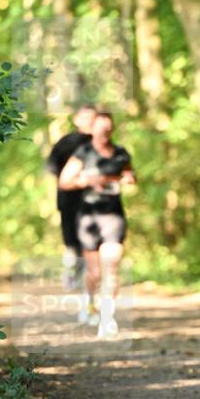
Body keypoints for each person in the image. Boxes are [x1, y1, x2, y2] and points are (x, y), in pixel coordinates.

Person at [58, 111, 135, 338]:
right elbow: (64, 181)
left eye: (109, 129)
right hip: (88, 217)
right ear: (93, 130)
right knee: (94, 272)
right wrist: (88, 180)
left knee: (111, 266)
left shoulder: (120, 153)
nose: (105, 133)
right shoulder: (83, 153)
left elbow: (130, 174)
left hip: (113, 215)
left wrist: (128, 178)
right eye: (101, 129)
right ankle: (89, 301)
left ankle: (107, 318)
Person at [46, 105, 96, 289]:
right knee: (71, 242)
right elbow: (52, 168)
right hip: (69, 200)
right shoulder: (66, 142)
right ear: (76, 119)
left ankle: (88, 280)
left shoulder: (101, 143)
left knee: (91, 242)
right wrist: (74, 179)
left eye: (92, 117)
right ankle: (72, 272)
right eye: (85, 117)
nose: (89, 121)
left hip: (95, 203)